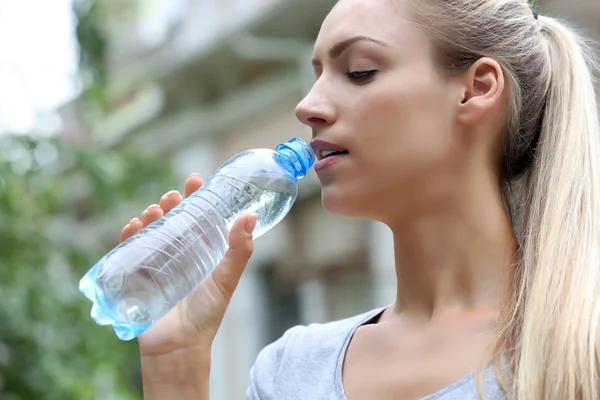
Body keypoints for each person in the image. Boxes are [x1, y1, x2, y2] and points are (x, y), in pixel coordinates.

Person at [119, 0, 600, 398]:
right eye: (317, 73)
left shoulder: (579, 358)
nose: (307, 105)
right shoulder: (288, 372)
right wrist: (176, 369)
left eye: (359, 71)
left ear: (475, 90)